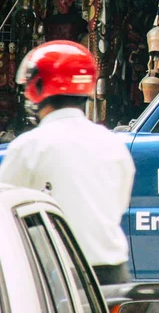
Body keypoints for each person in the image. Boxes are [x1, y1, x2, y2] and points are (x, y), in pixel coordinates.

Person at [0, 41, 135, 285]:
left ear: (39, 86)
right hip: (114, 276)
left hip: (57, 278)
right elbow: (117, 206)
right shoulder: (113, 144)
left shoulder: (30, 147)